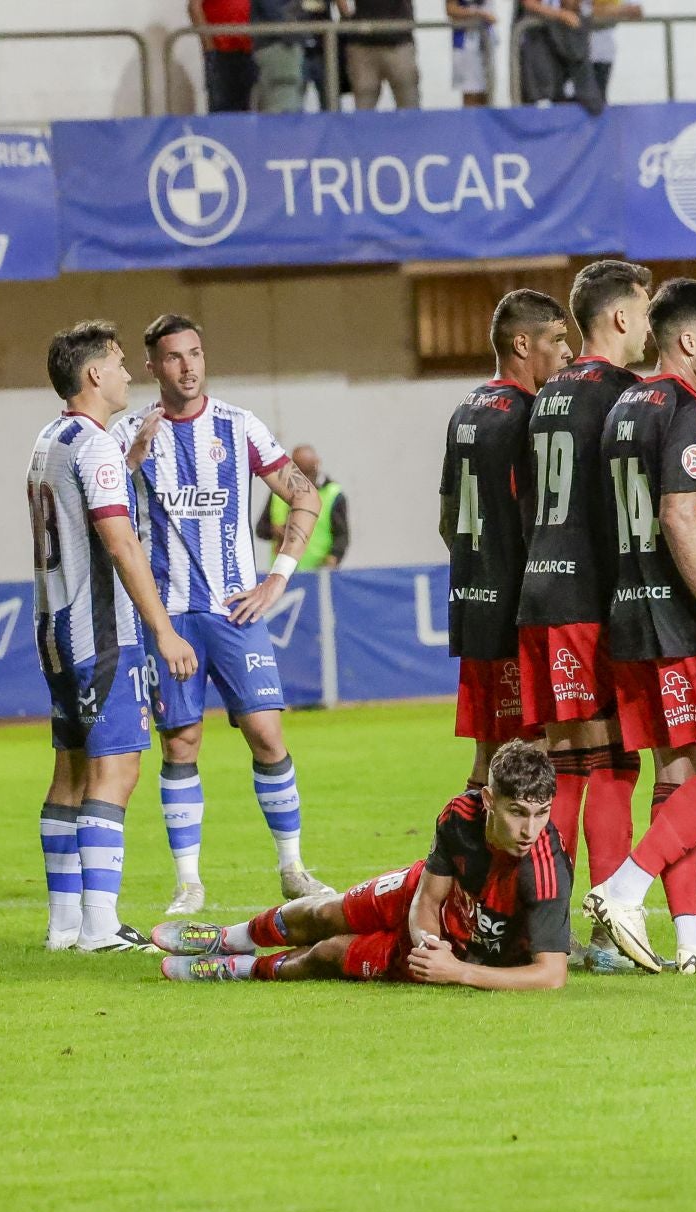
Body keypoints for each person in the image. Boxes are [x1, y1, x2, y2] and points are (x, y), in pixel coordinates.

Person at [111, 315, 332, 915]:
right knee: (181, 743)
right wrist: (132, 460)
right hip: (170, 614)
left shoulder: (239, 426)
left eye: (196, 354)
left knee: (266, 733)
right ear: (153, 366)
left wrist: (275, 580)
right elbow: (99, 509)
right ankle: (188, 882)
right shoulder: (126, 430)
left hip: (235, 612)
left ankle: (292, 867)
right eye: (174, 357)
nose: (188, 366)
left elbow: (304, 495)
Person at [578, 278, 696, 975]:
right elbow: (681, 515)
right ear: (688, 339)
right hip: (672, 615)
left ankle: (691, 934)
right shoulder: (690, 409)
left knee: (674, 769)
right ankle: (625, 889)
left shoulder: (623, 403)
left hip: (624, 612)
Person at [30, 322, 201, 952]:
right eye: (121, 363)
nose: (130, 374)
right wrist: (164, 634)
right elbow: (121, 544)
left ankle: (64, 925)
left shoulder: (51, 437)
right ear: (95, 375)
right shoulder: (96, 444)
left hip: (53, 625)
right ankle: (100, 927)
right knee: (117, 770)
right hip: (101, 632)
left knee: (70, 771)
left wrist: (126, 463)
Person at [156, 740, 570, 989]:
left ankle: (241, 969)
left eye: (541, 813)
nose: (529, 829)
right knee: (324, 910)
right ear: (488, 802)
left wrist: (454, 970)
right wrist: (428, 940)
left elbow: (551, 975)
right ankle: (227, 937)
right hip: (424, 912)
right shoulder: (460, 815)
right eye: (517, 812)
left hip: (465, 953)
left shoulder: (546, 869)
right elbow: (429, 896)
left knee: (330, 953)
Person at [514, 259, 651, 974]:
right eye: (647, 309)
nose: (653, 324)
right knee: (612, 764)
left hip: (538, 591)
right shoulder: (624, 395)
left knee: (566, 766)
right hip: (587, 600)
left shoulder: (546, 395)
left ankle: (551, 923)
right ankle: (604, 926)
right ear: (622, 317)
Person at [439, 289, 570, 790]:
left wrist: (479, 568)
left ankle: (462, 862)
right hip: (517, 606)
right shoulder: (530, 415)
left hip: (474, 602)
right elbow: (535, 516)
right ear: (522, 343)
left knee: (488, 754)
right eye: (556, 340)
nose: (567, 353)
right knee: (531, 754)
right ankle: (523, 868)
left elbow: (447, 516)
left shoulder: (467, 408)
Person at [254, 444, 347, 570]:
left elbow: (342, 536)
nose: (305, 479)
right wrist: (274, 531)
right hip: (283, 573)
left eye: (309, 472)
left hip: (317, 574)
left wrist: (332, 559)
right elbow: (261, 529)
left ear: (318, 464)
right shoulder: (278, 492)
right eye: (301, 473)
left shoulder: (332, 494)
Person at [515, 0, 601, 114]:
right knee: (540, 100)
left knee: (566, 97)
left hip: (563, 46)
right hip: (536, 46)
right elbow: (529, 4)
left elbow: (577, 7)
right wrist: (560, 15)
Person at [338, 0, 416, 109]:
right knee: (363, 109)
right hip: (362, 44)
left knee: (409, 107)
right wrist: (347, 15)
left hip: (399, 42)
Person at [191, 0, 255, 113]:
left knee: (247, 108)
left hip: (248, 50)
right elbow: (194, 7)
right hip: (220, 52)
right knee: (222, 108)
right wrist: (208, 45)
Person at [250, 0, 305, 113]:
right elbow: (275, 14)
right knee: (279, 107)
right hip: (275, 48)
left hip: (289, 47)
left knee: (291, 103)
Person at [583, 0, 639, 99]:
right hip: (575, 51)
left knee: (598, 98)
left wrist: (605, 11)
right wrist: (615, 11)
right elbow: (580, 12)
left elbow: (636, 11)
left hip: (603, 52)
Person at [445, 0, 494, 106]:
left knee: (487, 94)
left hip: (487, 40)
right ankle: (471, 122)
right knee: (471, 93)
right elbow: (450, 9)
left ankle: (485, 122)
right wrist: (477, 13)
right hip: (466, 42)